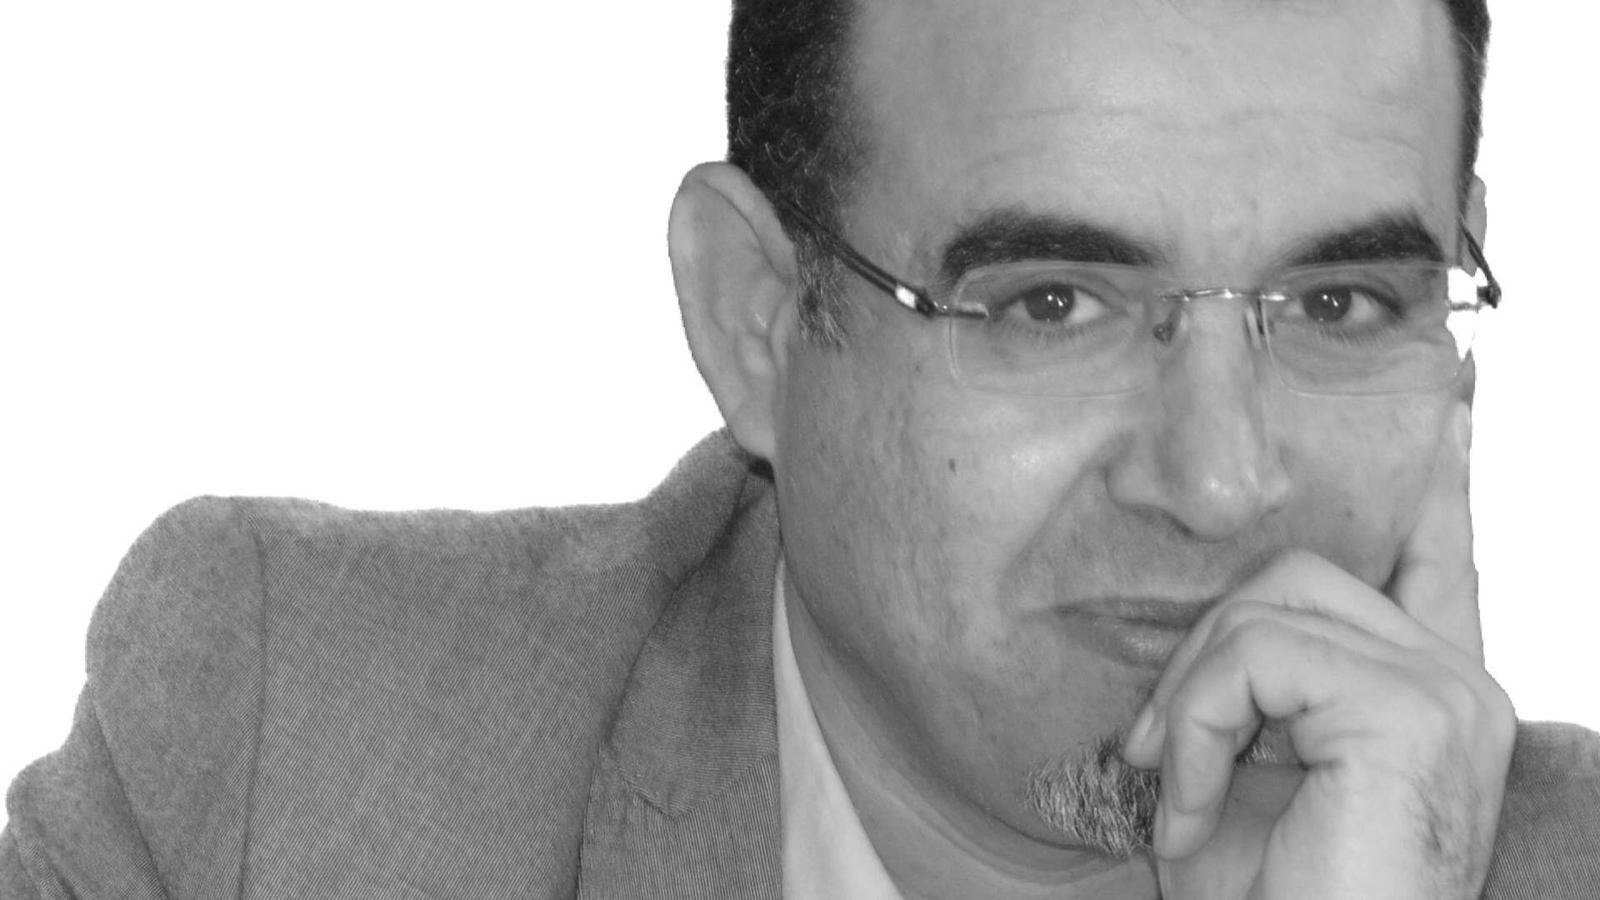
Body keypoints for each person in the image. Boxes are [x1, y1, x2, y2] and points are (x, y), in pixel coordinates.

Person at [4, 0, 1598, 897]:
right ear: (757, 321)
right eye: (1051, 303)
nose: (1219, 481)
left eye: (1337, 303)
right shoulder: (282, 761)